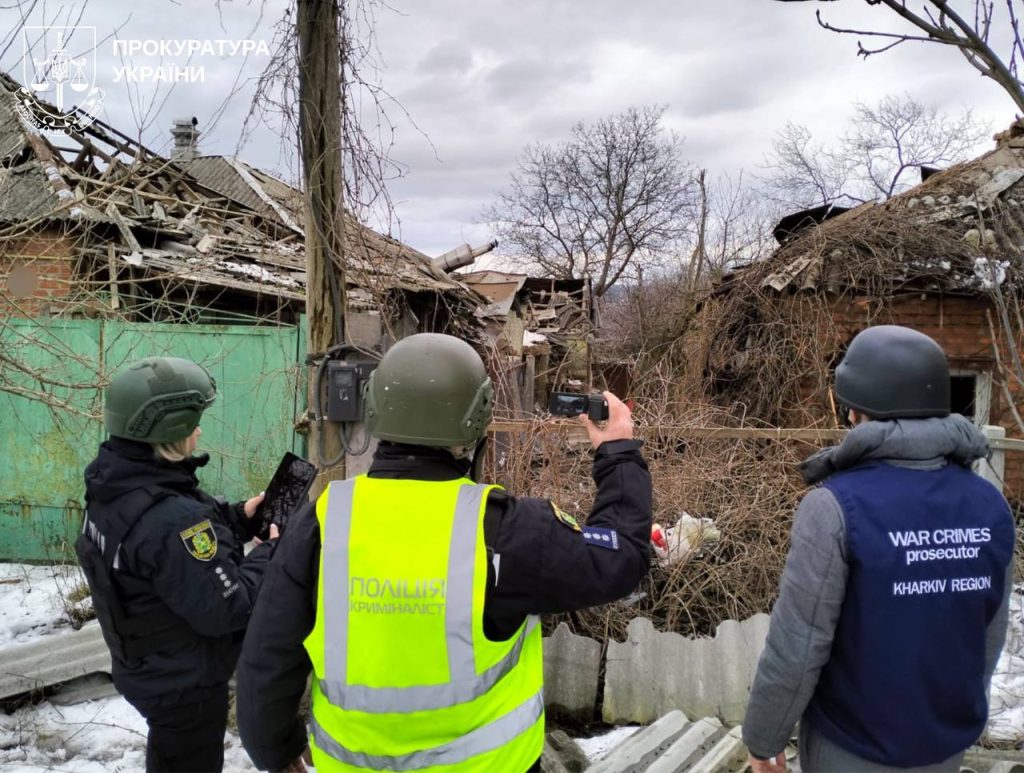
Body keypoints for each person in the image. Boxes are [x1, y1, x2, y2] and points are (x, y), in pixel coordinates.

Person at [236, 333, 653, 772]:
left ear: (374, 406)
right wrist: (617, 451)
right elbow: (621, 556)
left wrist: (276, 752)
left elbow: (267, 657)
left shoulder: (322, 523)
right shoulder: (508, 529)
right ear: (477, 416)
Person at [742, 325, 1015, 773]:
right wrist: (956, 717)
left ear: (854, 410)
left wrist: (762, 738)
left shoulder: (834, 506)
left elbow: (799, 646)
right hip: (945, 747)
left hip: (852, 747)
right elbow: (989, 634)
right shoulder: (990, 504)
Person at [77, 356, 278, 772]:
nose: (199, 430)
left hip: (148, 667)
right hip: (184, 684)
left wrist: (238, 517)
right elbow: (230, 608)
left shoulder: (114, 483)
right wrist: (270, 553)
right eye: (193, 423)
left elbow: (159, 547)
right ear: (169, 429)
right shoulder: (175, 520)